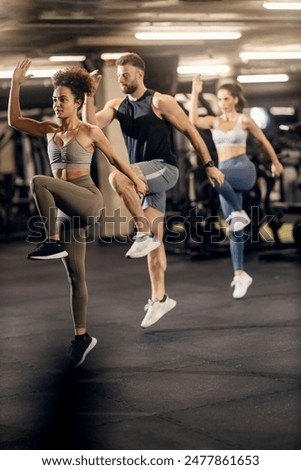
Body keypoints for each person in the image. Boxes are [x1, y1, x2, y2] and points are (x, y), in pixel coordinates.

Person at [8, 58, 152, 368]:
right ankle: (82, 336)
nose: (57, 104)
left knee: (38, 181)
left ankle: (51, 240)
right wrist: (16, 84)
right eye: (54, 99)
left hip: (87, 200)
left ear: (76, 102)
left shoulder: (89, 131)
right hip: (64, 211)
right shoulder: (48, 129)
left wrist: (136, 179)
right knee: (76, 277)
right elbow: (15, 121)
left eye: (62, 99)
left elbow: (115, 159)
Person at [84, 52, 225, 328]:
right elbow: (90, 127)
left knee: (117, 178)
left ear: (139, 74)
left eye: (125, 74)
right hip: (143, 176)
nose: (121, 79)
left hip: (164, 169)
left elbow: (191, 132)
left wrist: (209, 164)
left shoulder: (160, 101)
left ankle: (143, 232)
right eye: (118, 76)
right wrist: (89, 95)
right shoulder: (117, 105)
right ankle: (160, 298)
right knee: (155, 244)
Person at [189, 74, 284, 299]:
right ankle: (240, 274)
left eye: (225, 99)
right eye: (219, 99)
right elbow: (193, 120)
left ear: (234, 100)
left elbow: (264, 141)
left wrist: (275, 162)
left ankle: (239, 212)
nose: (222, 103)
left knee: (214, 176)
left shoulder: (245, 120)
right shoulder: (213, 121)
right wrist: (195, 91)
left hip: (242, 170)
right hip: (224, 175)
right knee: (235, 227)